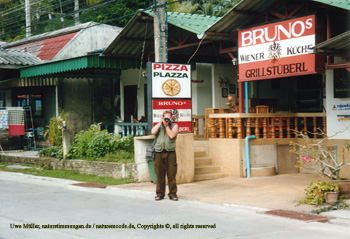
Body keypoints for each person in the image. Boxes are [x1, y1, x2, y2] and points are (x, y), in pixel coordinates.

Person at [151, 110, 179, 201]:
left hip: (170, 152)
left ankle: (172, 193)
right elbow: (153, 132)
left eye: (169, 117)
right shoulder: (159, 126)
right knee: (159, 174)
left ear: (171, 118)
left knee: (171, 174)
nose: (167, 119)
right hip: (159, 151)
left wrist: (167, 126)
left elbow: (171, 135)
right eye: (165, 117)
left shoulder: (174, 126)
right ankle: (160, 193)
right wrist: (160, 123)